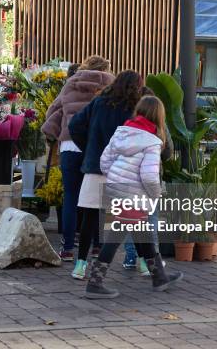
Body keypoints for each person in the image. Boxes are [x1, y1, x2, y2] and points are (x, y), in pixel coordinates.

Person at [85, 96, 184, 299]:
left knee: (142, 235)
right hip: (134, 195)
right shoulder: (153, 142)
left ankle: (160, 277)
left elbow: (104, 162)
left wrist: (116, 177)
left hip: (116, 190)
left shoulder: (121, 132)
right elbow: (149, 176)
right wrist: (156, 194)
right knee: (114, 238)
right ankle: (95, 283)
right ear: (159, 116)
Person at [68, 70, 143, 279]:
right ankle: (146, 263)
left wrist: (89, 148)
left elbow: (74, 125)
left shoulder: (99, 103)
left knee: (89, 219)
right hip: (123, 170)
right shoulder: (134, 109)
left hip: (95, 168)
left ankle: (80, 265)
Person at [42, 56, 115, 262]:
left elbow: (53, 111)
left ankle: (66, 248)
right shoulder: (110, 85)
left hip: (70, 145)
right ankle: (96, 246)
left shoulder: (71, 83)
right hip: (97, 148)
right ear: (106, 68)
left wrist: (55, 130)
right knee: (98, 198)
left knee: (71, 196)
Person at [122, 86, 174, 270]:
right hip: (151, 176)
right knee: (151, 218)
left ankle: (130, 257)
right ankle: (153, 258)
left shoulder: (129, 123)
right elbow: (168, 152)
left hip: (130, 178)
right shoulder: (160, 126)